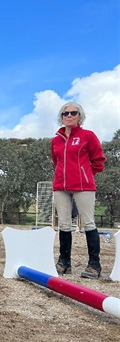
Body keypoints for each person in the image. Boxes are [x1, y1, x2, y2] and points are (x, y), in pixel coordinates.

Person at [51, 102, 106, 279]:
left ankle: (94, 266)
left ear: (79, 116)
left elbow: (98, 160)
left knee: (88, 223)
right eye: (65, 113)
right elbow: (56, 161)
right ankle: (64, 263)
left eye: (73, 112)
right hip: (61, 187)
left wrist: (86, 174)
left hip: (84, 187)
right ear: (61, 117)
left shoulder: (87, 136)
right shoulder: (56, 140)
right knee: (64, 225)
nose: (69, 115)